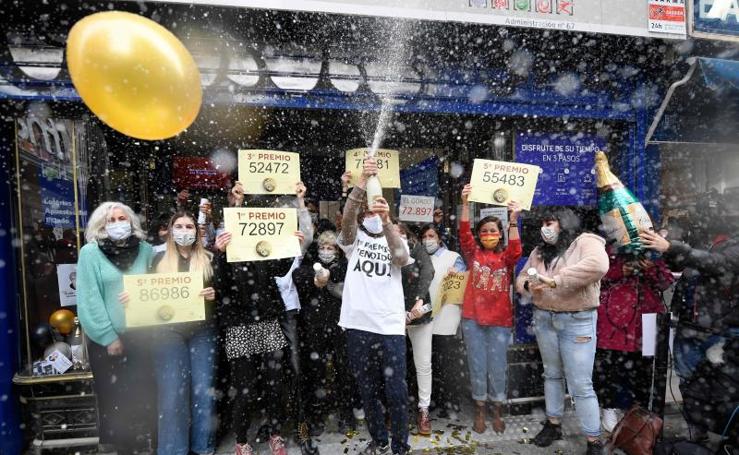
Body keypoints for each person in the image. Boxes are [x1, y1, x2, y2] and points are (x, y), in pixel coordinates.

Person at [640, 199, 739, 444]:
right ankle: (697, 432)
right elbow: (686, 263)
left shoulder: (734, 244)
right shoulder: (704, 239)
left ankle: (727, 436)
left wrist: (672, 247)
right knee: (689, 382)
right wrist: (662, 253)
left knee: (723, 388)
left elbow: (717, 264)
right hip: (689, 325)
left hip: (720, 331)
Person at [515, 208, 609, 455]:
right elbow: (523, 276)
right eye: (543, 224)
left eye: (551, 223)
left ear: (564, 223)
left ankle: (594, 440)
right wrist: (527, 285)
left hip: (577, 320)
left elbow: (599, 265)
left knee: (580, 384)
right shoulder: (540, 251)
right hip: (544, 318)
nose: (546, 228)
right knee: (552, 375)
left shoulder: (585, 241)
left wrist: (557, 280)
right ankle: (553, 424)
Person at [338, 158, 412, 455]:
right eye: (367, 211)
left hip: (390, 327)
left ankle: (400, 445)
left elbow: (400, 258)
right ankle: (379, 439)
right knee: (367, 390)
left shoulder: (397, 237)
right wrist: (359, 186)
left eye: (376, 210)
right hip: (358, 326)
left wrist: (388, 222)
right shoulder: (352, 240)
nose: (370, 215)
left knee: (396, 391)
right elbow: (346, 219)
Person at [213, 222, 306, 455]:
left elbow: (280, 268)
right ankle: (241, 440)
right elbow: (220, 283)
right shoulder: (227, 252)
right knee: (245, 388)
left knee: (274, 383)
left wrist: (291, 245)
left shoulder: (262, 250)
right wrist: (220, 254)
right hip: (239, 325)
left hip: (267, 320)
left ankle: (275, 434)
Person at [76, 202, 154, 455]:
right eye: (111, 220)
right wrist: (109, 336)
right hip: (107, 341)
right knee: (115, 399)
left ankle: (143, 444)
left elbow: (158, 290)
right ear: (101, 225)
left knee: (142, 394)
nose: (118, 223)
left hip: (142, 337)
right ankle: (123, 448)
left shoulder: (146, 251)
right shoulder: (90, 253)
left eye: (123, 218)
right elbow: (89, 299)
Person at [148, 212, 219, 455]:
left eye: (189, 226)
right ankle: (172, 450)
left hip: (203, 331)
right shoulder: (156, 260)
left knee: (204, 391)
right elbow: (145, 296)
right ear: (170, 230)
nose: (184, 230)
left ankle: (203, 447)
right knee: (171, 393)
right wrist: (131, 299)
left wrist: (214, 295)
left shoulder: (209, 259)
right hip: (167, 333)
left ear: (196, 231)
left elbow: (224, 294)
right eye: (179, 226)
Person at [458, 184, 522, 435]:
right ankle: (480, 410)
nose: (488, 234)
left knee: (497, 367)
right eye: (483, 231)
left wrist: (513, 220)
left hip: (499, 322)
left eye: (492, 231)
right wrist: (465, 203)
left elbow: (517, 251)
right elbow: (464, 233)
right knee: (477, 365)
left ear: (500, 234)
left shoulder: (506, 258)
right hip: (473, 319)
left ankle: (497, 410)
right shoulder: (472, 253)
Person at [593, 245, 674, 433]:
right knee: (610, 367)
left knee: (642, 369)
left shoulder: (652, 252)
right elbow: (593, 278)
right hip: (612, 320)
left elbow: (666, 281)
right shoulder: (607, 249)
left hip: (644, 320)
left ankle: (638, 413)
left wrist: (651, 268)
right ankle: (609, 408)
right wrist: (620, 271)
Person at [292, 230, 360, 433]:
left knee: (344, 372)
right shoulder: (310, 266)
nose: (326, 251)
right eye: (323, 247)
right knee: (316, 372)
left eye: (330, 248)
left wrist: (329, 275)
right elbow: (298, 276)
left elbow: (346, 276)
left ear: (337, 251)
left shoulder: (344, 267)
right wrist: (316, 276)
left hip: (340, 326)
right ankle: (316, 416)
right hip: (314, 327)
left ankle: (346, 416)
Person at [419, 224, 467, 417]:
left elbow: (460, 281)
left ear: (439, 238)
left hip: (446, 316)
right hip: (424, 317)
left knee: (447, 362)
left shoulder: (453, 257)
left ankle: (450, 403)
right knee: (428, 363)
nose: (428, 240)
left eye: (432, 235)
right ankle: (431, 401)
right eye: (424, 236)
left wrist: (456, 274)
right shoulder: (418, 258)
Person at [397, 223, 435, 436]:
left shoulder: (416, 247)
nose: (398, 236)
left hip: (420, 316)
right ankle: (396, 410)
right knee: (394, 366)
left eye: (401, 232)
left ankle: (423, 410)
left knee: (423, 365)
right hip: (393, 318)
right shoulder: (382, 249)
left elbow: (428, 270)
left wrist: (419, 300)